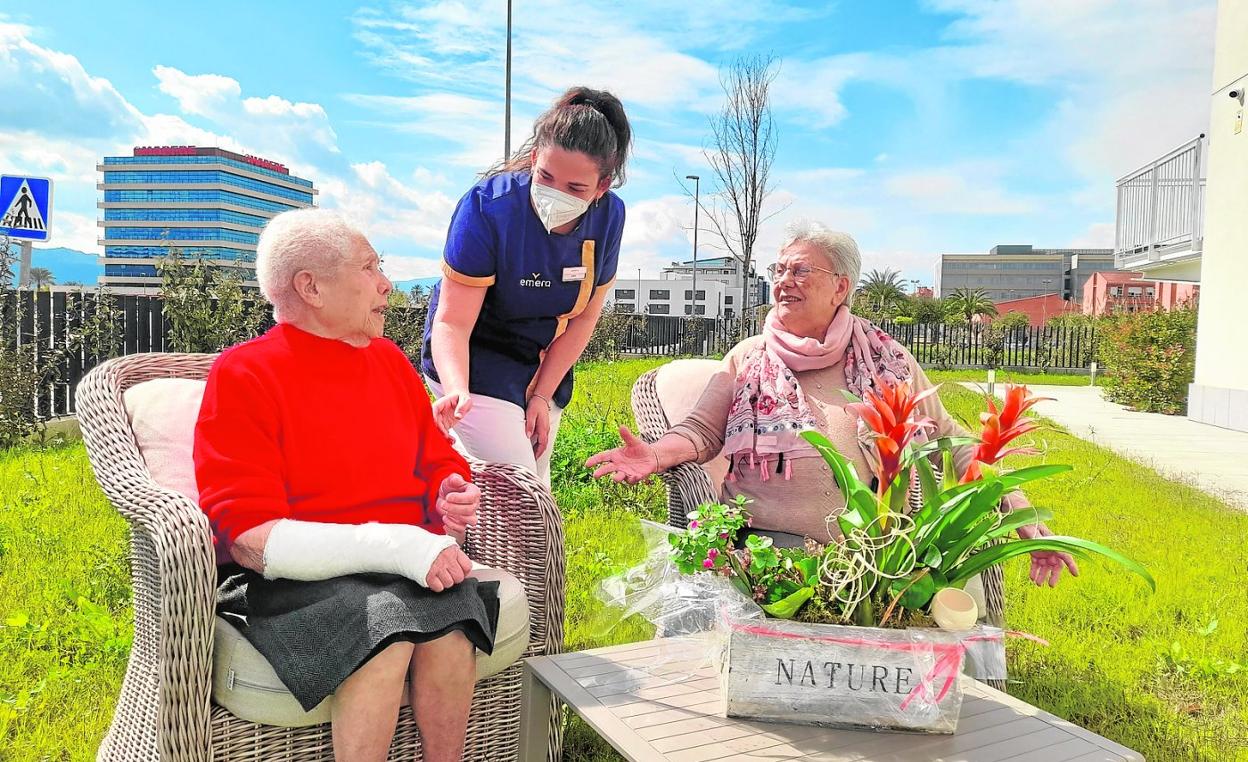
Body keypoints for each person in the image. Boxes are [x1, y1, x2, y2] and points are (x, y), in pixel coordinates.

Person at [586, 220, 1078, 589]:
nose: (783, 281)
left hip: (884, 555)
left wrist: (1019, 506)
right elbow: (700, 431)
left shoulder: (887, 359)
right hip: (771, 549)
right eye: (779, 270)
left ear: (842, 286)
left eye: (801, 270)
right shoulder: (748, 357)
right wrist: (654, 455)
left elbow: (952, 441)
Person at [195, 209, 496, 761]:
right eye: (369, 267)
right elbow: (248, 538)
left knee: (451, 631)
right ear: (310, 287)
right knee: (383, 635)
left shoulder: (388, 361)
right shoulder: (244, 374)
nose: (386, 283)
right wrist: (400, 545)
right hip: (295, 580)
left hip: (403, 565)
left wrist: (450, 487)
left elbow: (435, 458)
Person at [421, 86, 632, 486]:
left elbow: (584, 319)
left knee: (535, 476)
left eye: (575, 189)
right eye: (546, 176)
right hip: (474, 357)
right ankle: (457, 546)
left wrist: (539, 396)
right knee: (520, 485)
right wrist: (457, 392)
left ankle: (473, 541)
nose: (555, 195)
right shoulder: (488, 207)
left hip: (540, 361)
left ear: (602, 187)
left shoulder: (610, 218)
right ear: (534, 157)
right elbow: (452, 324)